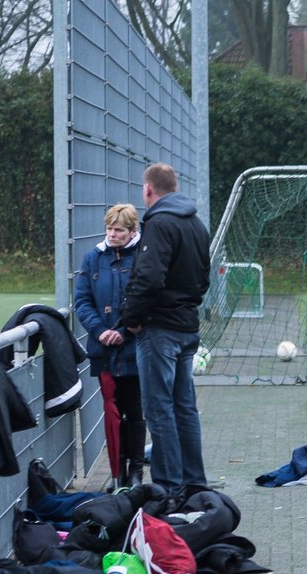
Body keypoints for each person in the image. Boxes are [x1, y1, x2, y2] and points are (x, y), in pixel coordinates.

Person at [122, 163, 211, 494]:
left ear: (148, 189)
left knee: (158, 410)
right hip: (187, 326)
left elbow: (148, 277)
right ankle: (194, 483)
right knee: (185, 408)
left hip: (159, 329)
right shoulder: (196, 224)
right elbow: (203, 278)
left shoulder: (159, 224)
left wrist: (131, 318)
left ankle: (169, 488)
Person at [74, 203, 146, 491]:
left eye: (119, 230)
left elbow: (146, 298)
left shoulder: (143, 257)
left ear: (132, 231)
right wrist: (100, 331)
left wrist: (124, 332)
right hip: (103, 350)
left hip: (134, 348)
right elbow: (82, 301)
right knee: (112, 410)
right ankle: (117, 473)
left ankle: (136, 472)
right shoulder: (93, 258)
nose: (112, 234)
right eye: (109, 229)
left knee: (134, 410)